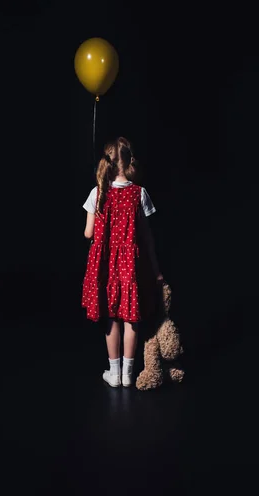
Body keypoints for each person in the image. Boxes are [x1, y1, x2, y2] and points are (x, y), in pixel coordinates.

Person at [82, 136, 163, 387]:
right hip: (131, 264)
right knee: (131, 317)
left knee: (112, 317)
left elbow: (88, 233)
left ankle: (114, 373)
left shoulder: (98, 192)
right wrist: (156, 270)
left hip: (106, 264)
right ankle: (128, 374)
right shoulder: (140, 193)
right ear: (129, 161)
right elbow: (147, 236)